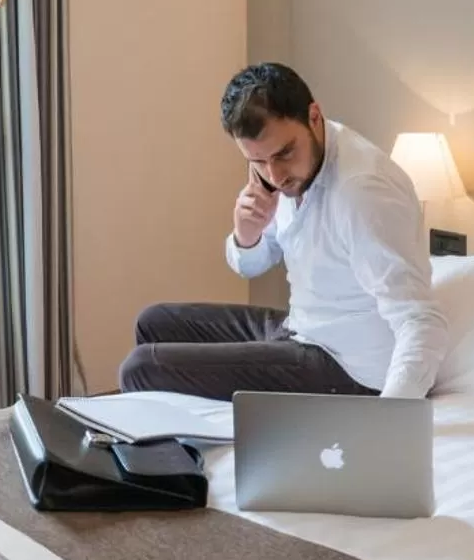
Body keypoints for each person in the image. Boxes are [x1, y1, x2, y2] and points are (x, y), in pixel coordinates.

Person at [117, 63, 448, 401]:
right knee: (153, 322)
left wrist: (390, 415)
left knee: (141, 367)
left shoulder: (362, 192)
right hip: (300, 329)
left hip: (349, 367)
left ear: (314, 116)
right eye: (258, 161)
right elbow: (251, 265)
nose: (274, 175)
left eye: (283, 154)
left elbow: (421, 319)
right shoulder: (288, 169)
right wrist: (247, 234)